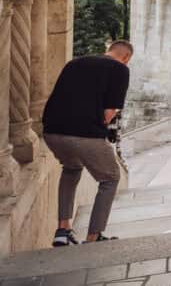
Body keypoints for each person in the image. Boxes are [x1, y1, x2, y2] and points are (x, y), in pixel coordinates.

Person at [42, 40, 133, 246]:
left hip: (52, 132)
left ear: (107, 50)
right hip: (85, 135)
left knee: (72, 168)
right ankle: (93, 236)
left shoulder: (74, 63)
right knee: (110, 177)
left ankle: (63, 230)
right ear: (126, 57)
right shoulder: (120, 69)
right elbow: (108, 113)